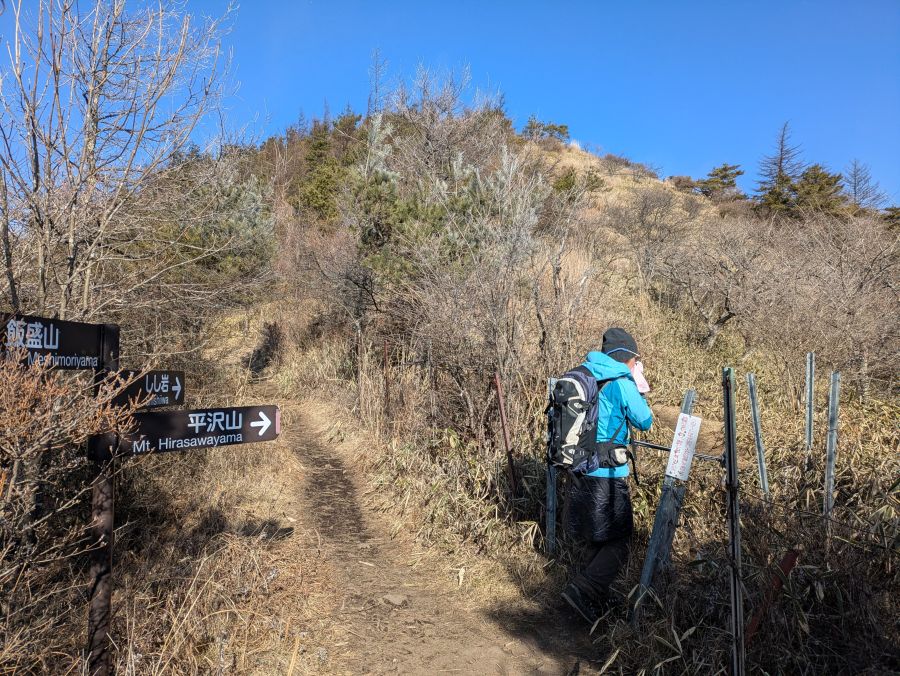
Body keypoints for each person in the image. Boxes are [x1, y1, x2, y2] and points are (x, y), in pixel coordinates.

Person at [561, 327, 653, 624]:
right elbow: (645, 420)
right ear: (628, 358)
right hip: (608, 474)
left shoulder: (583, 373)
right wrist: (637, 385)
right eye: (635, 360)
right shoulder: (621, 382)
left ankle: (592, 597)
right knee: (620, 539)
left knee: (597, 536)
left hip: (578, 468)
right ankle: (582, 590)